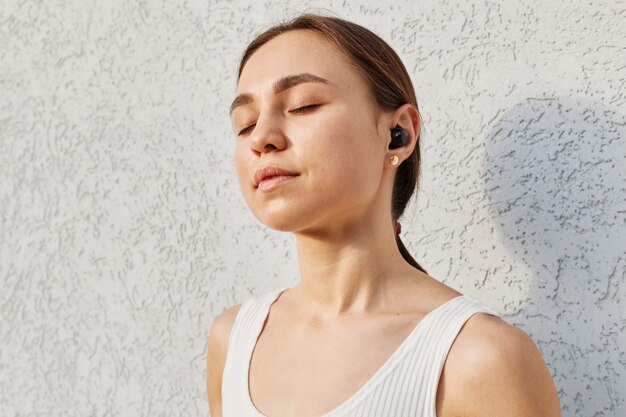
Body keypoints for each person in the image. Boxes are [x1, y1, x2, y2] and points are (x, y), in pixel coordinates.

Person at [206, 13, 562, 417]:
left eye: (303, 106)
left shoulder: (478, 358)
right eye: (244, 123)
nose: (261, 138)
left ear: (399, 133)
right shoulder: (234, 340)